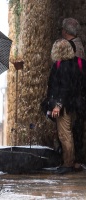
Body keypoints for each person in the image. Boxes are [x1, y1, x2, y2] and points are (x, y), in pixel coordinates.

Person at [46, 38, 86, 174]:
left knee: (65, 134)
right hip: (78, 104)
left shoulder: (60, 66)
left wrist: (57, 105)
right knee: (75, 133)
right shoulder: (79, 64)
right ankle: (74, 162)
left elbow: (62, 88)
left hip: (65, 105)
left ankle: (68, 163)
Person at [62, 17, 86, 168]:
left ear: (65, 31)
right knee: (76, 127)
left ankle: (70, 161)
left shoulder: (70, 47)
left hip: (72, 93)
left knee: (68, 129)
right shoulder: (80, 45)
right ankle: (75, 159)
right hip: (79, 93)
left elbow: (70, 73)